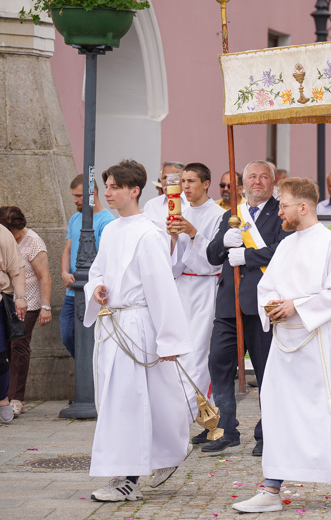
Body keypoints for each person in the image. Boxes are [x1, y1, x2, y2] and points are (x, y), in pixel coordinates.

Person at [232, 178, 331, 513]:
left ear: (303, 208)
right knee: (280, 413)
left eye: (284, 205)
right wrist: (272, 307)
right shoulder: (286, 245)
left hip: (318, 341)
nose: (280, 211)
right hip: (285, 344)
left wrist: (298, 306)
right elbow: (267, 286)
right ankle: (271, 490)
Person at [83, 160, 193, 501]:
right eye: (107, 187)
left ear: (134, 190)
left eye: (115, 186)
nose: (109, 193)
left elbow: (161, 287)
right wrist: (97, 287)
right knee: (118, 400)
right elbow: (98, 269)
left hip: (138, 325)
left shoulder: (148, 233)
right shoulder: (112, 230)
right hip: (112, 324)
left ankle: (129, 480)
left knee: (131, 401)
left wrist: (170, 338)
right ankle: (150, 459)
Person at [205, 160, 289, 455]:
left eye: (263, 177)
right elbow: (213, 256)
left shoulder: (281, 211)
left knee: (268, 370)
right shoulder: (232, 214)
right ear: (243, 183)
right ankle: (226, 427)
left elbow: (284, 248)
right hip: (230, 304)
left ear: (272, 181)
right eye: (251, 177)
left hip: (263, 304)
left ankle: (268, 432)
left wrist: (249, 256)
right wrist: (223, 243)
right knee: (219, 362)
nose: (257, 182)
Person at [165, 163, 225, 439]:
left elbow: (214, 259)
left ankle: (189, 415)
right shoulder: (181, 213)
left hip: (205, 287)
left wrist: (192, 233)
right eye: (183, 181)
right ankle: (197, 413)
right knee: (181, 349)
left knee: (198, 353)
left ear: (206, 183)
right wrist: (173, 238)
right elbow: (173, 262)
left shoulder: (218, 215)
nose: (186, 187)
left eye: (192, 181)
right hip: (182, 287)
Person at [0, 207, 50, 416]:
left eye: (17, 232)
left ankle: (16, 398)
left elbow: (44, 276)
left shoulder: (33, 242)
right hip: (6, 300)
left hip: (27, 302)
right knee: (6, 349)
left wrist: (46, 306)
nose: (15, 236)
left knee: (19, 346)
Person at [61, 175, 113, 358]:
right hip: (72, 289)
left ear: (93, 193)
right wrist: (64, 272)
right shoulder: (75, 218)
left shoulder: (107, 221)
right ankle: (84, 369)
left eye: (78, 196)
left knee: (92, 337)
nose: (74, 200)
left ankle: (90, 375)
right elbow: (67, 248)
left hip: (92, 289)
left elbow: (106, 256)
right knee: (67, 335)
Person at [0, 222, 26, 424]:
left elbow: (16, 269)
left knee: (1, 356)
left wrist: (20, 297)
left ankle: (2, 399)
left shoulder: (2, 233)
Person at [142, 162, 189, 226]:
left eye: (173, 178)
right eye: (164, 178)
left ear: (183, 180)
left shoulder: (192, 205)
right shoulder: (151, 205)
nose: (167, 183)